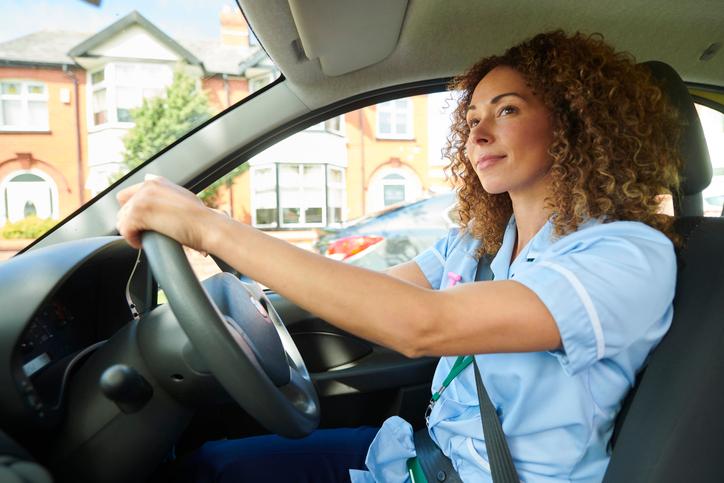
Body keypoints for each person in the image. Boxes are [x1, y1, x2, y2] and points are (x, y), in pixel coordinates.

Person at [116, 30, 682, 482]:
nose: (477, 132)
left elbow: (421, 325)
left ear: (574, 124)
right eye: (472, 116)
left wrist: (209, 225)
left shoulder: (626, 254)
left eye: (506, 110)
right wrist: (239, 292)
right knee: (217, 466)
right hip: (421, 457)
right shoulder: (482, 242)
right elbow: (368, 294)